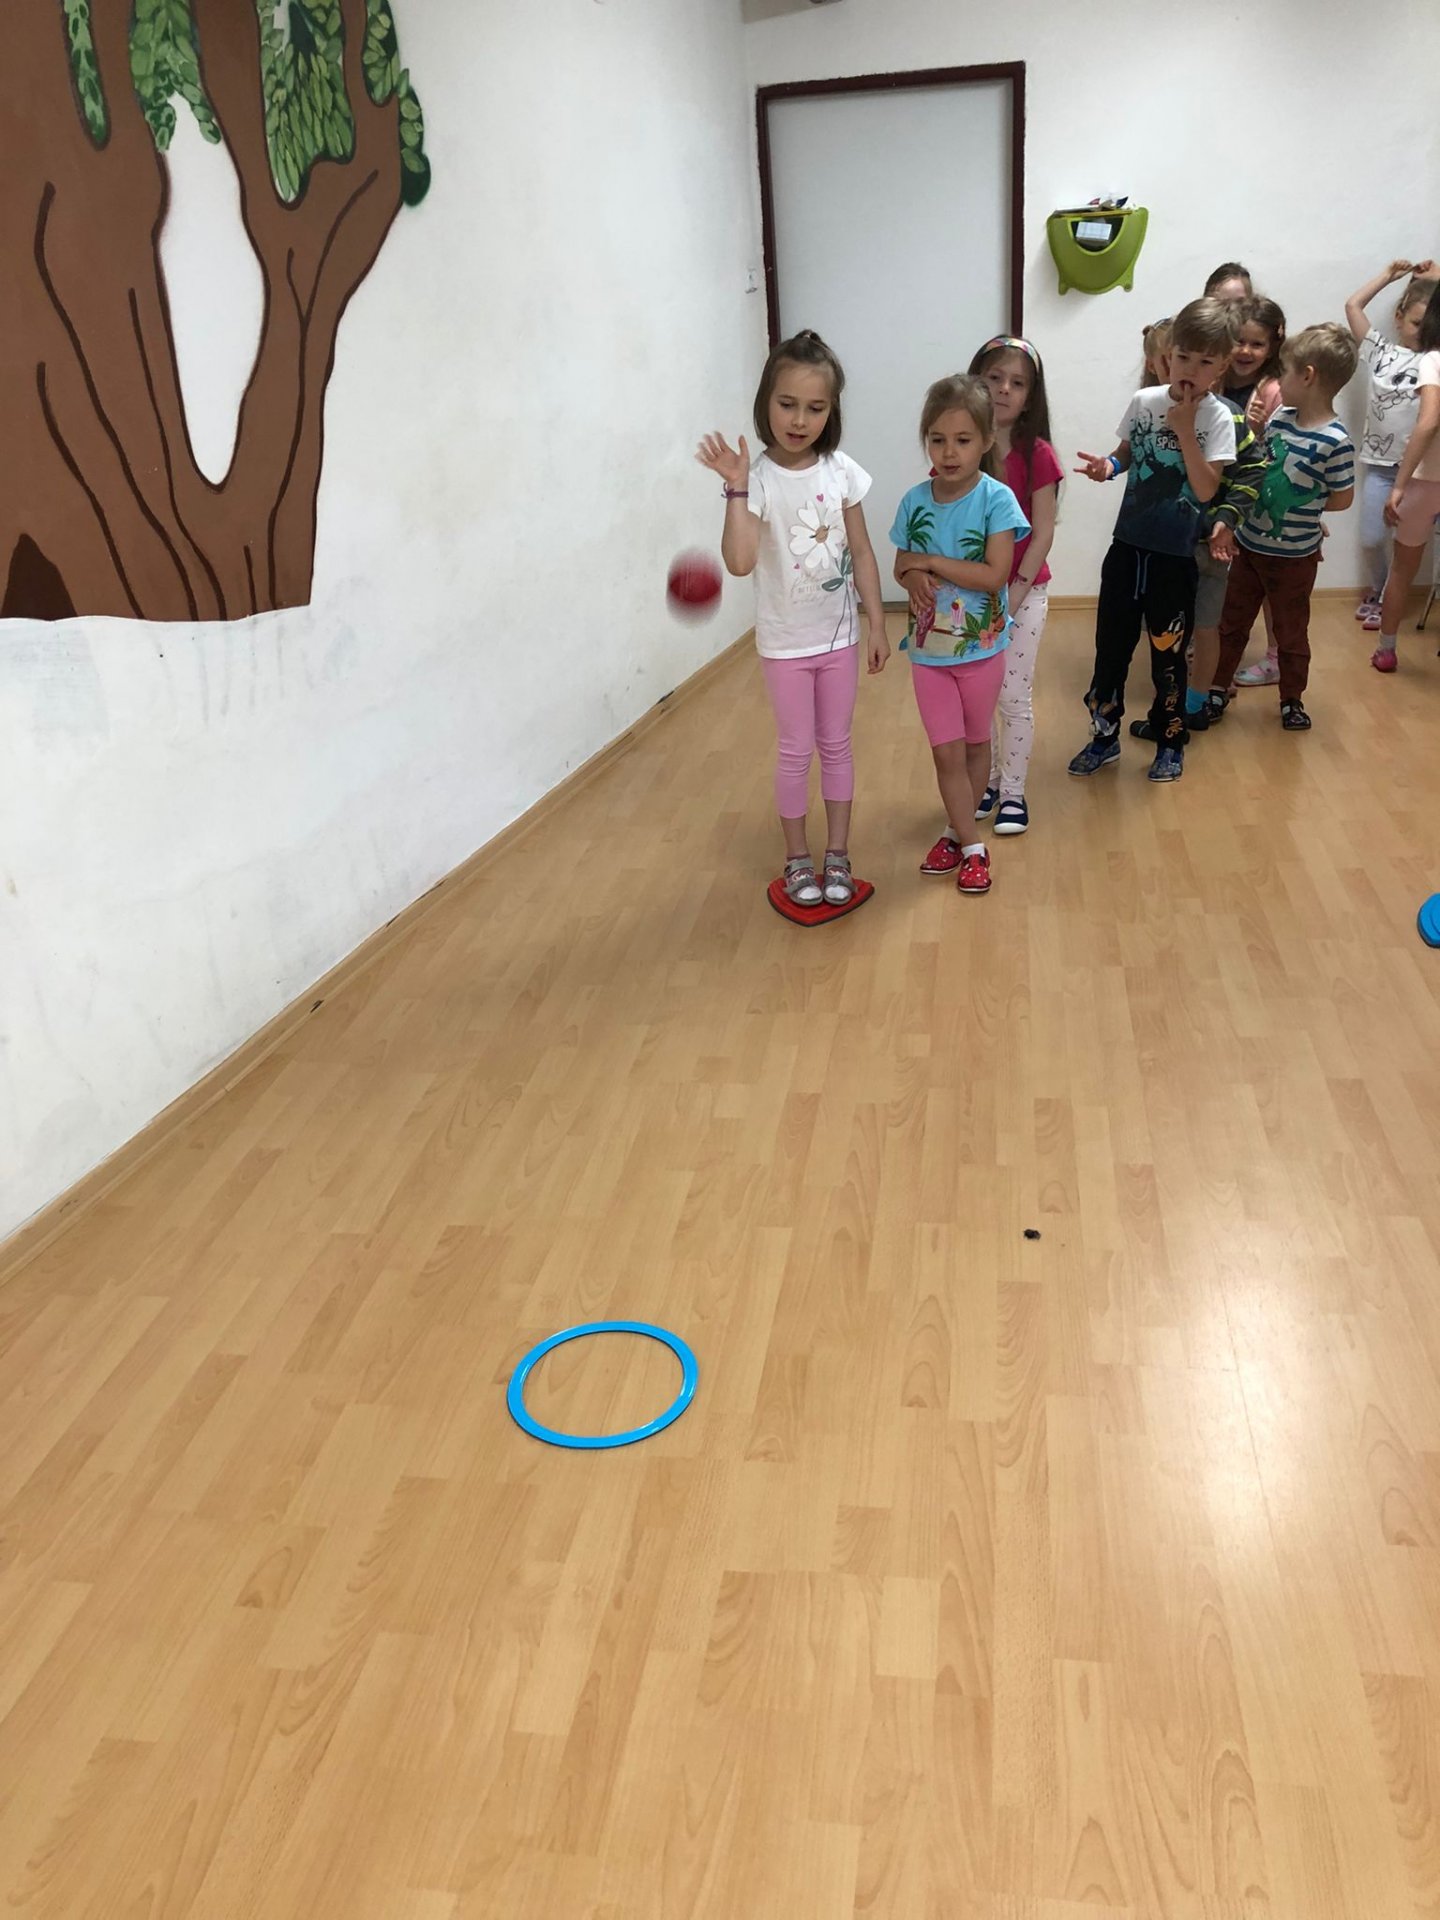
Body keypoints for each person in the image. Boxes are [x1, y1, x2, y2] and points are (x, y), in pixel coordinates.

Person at [696, 329, 889, 907]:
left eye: (816, 407)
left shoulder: (842, 471)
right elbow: (739, 562)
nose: (800, 420)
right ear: (766, 403)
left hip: (840, 639)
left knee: (837, 745)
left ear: (831, 412)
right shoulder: (756, 479)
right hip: (784, 644)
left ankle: (838, 854)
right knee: (795, 749)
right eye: (787, 404)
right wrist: (735, 489)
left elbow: (862, 552)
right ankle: (797, 858)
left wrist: (878, 624)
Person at [1068, 297, 1238, 783]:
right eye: (1183, 357)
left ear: (1221, 367)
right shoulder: (1145, 402)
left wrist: (1184, 430)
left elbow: (1205, 489)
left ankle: (1170, 742)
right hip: (1127, 549)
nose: (1191, 370)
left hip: (1174, 560)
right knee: (1110, 652)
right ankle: (1104, 738)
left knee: (1168, 659)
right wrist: (1107, 467)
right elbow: (1125, 453)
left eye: (1205, 362)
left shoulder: (1218, 419)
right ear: (1168, 355)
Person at [891, 374, 1029, 895]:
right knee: (944, 753)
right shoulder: (913, 501)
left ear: (987, 440)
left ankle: (955, 831)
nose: (949, 452)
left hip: (982, 650)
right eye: (938, 440)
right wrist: (912, 576)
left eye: (963, 440)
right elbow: (900, 564)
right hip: (929, 655)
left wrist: (929, 562)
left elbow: (994, 575)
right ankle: (974, 847)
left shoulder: (997, 500)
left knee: (975, 747)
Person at [1206, 323, 1357, 728]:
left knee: (1291, 631)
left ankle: (1292, 699)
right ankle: (1217, 688)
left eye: (1284, 372)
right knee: (1232, 622)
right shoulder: (1280, 418)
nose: (1277, 381)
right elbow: (1261, 466)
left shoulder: (1336, 440)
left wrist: (1309, 515)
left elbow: (1342, 497)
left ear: (1307, 376)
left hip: (1295, 558)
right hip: (1249, 546)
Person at [966, 335, 1061, 836]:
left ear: (1030, 396)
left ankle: (1013, 793)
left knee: (1012, 696)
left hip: (1024, 594)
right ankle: (987, 781)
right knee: (978, 698)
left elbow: (1042, 531)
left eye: (1017, 383)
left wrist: (1015, 594)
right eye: (994, 378)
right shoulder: (962, 447)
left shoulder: (1037, 454)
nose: (1004, 389)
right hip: (971, 595)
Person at [1345, 259, 1438, 636]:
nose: (1424, 332)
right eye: (1417, 323)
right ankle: (1378, 588)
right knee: (1371, 539)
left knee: (1408, 547)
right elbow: (1353, 306)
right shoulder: (1379, 350)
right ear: (1399, 317)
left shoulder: (1435, 359)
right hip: (1382, 468)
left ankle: (1388, 600)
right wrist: (1388, 276)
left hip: (1423, 474)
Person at [1221, 296, 1289, 689]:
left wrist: (1257, 430)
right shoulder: (1215, 379)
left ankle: (1276, 657)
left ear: (1273, 346)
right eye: (1239, 341)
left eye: (1257, 344)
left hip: (1258, 500)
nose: (1245, 351)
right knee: (1219, 581)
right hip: (1219, 495)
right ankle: (1214, 654)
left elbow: (1279, 452)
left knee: (1263, 584)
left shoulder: (1273, 391)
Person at [1375, 282, 1440, 671]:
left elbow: (1428, 422)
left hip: (1426, 480)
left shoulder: (1432, 360)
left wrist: (1399, 485)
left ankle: (1386, 649)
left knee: (1402, 568)